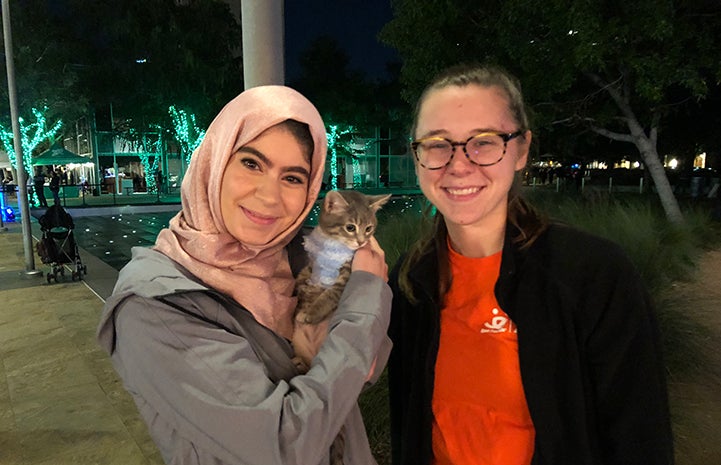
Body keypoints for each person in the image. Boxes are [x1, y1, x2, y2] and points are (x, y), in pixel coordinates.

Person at [387, 64, 673, 465]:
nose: (459, 164)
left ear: (521, 150)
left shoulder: (592, 274)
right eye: (437, 143)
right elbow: (408, 425)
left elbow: (639, 437)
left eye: (484, 142)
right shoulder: (411, 280)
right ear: (416, 157)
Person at [96, 86, 392, 465]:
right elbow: (286, 446)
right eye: (252, 163)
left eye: (293, 178)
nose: (270, 196)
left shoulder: (298, 256)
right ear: (214, 162)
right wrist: (366, 297)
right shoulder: (155, 307)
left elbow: (367, 368)